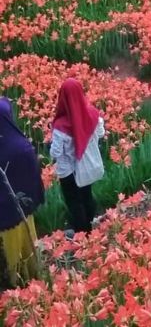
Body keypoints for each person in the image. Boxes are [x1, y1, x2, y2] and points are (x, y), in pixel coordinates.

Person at [50, 79, 105, 235]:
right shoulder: (93, 114)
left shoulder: (61, 126)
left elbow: (55, 153)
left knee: (74, 202)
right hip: (85, 166)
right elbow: (100, 133)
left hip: (68, 172)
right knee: (86, 195)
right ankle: (91, 228)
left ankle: (83, 234)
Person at [0, 98, 44, 288]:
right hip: (23, 214)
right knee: (27, 250)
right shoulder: (22, 146)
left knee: (8, 257)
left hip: (2, 220)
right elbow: (34, 178)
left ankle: (13, 288)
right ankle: (30, 284)